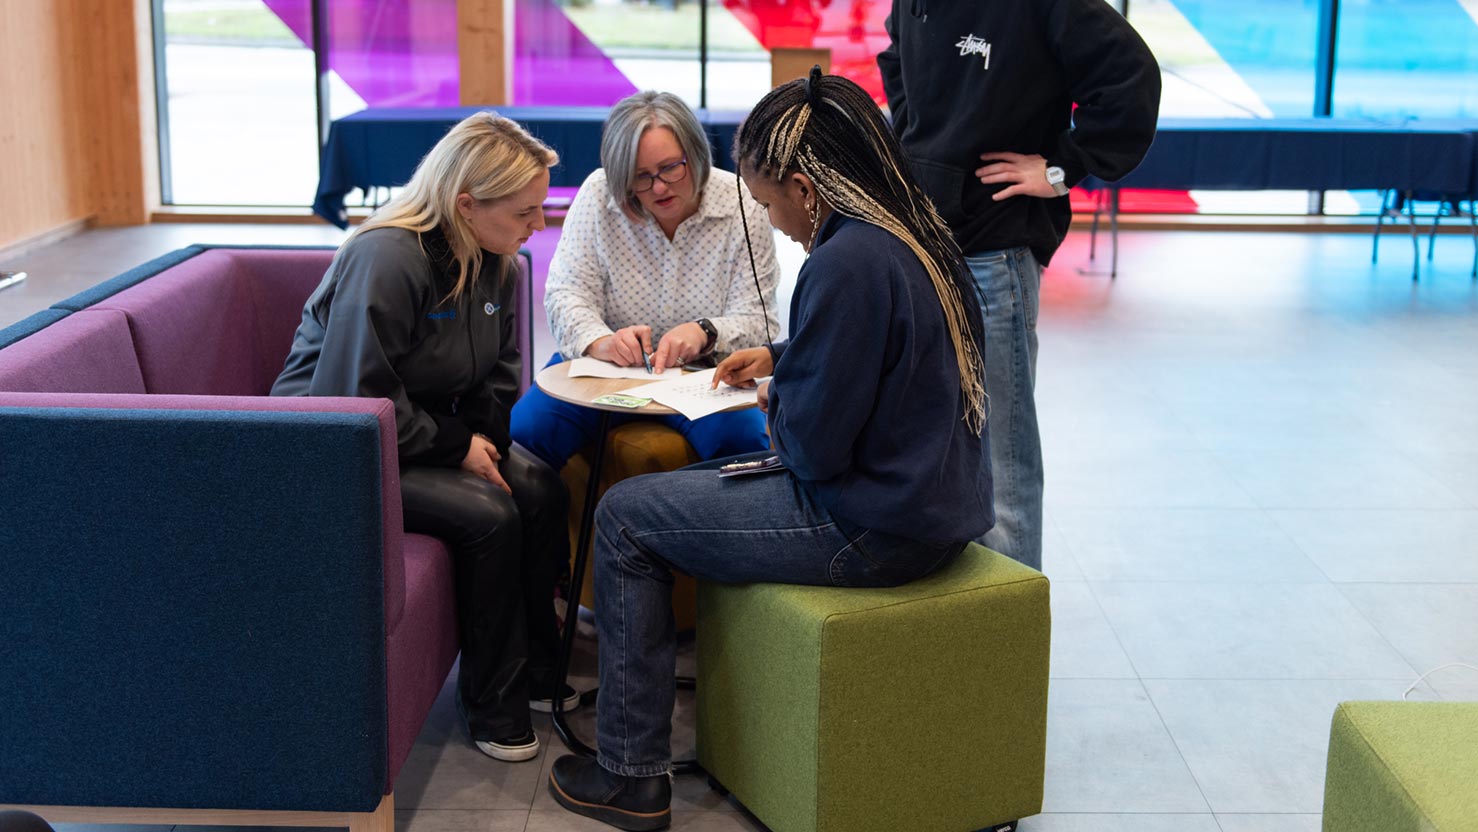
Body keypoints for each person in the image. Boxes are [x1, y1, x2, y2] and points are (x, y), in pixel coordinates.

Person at [546, 68, 993, 831]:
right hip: (931, 507)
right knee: (695, 484)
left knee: (623, 519)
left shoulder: (842, 263)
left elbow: (812, 452)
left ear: (804, 186)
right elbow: (884, 357)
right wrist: (788, 356)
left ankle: (629, 774)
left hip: (871, 527)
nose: (770, 218)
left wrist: (776, 396)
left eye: (766, 198)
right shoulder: (909, 230)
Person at [832, 0, 1162, 570]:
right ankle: (966, 619)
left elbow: (1130, 77)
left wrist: (1059, 169)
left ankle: (1009, 644)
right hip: (927, 240)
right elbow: (900, 64)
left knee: (1002, 452)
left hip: (995, 253)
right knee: (939, 433)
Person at [272, 112, 571, 764]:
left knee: (541, 490)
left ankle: (543, 674)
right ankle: (493, 707)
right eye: (526, 211)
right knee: (490, 515)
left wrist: (482, 442)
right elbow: (350, 397)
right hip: (337, 444)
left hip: (420, 428)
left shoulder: (500, 264)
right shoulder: (384, 257)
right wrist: (458, 448)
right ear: (466, 204)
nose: (539, 225)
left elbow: (499, 376)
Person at [509, 89, 780, 471]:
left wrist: (704, 332)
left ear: (695, 153)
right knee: (525, 434)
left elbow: (760, 322)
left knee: (742, 443)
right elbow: (566, 294)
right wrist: (601, 342)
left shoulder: (741, 205)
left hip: (703, 376)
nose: (658, 187)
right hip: (608, 369)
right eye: (641, 177)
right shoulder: (599, 196)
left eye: (671, 168)